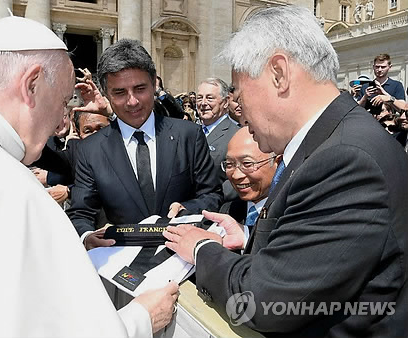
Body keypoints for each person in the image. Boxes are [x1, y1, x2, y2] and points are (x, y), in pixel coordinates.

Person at [0, 16, 179, 337]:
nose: (61, 120)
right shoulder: (14, 191)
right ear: (31, 84)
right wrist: (142, 318)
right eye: (64, 101)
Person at [163, 5, 408, 337]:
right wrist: (251, 240)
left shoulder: (344, 158)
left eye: (240, 91)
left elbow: (263, 301)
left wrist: (201, 249)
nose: (241, 109)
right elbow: (326, 256)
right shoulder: (335, 139)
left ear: (279, 73)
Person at [66, 39, 223, 250]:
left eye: (140, 89)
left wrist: (187, 208)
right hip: (120, 261)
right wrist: (86, 236)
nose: (132, 101)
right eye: (120, 93)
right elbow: (81, 212)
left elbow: (212, 195)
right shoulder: (90, 150)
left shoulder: (189, 135)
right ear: (106, 94)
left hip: (183, 260)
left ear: (153, 85)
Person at [217, 127, 279, 249]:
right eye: (229, 165)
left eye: (247, 164)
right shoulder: (229, 211)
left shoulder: (289, 213)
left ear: (277, 162)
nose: (236, 175)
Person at [196, 78, 240, 201]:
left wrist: (210, 199)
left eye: (210, 98)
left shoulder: (235, 135)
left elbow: (238, 178)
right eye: (199, 98)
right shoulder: (190, 132)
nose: (203, 103)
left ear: (225, 102)